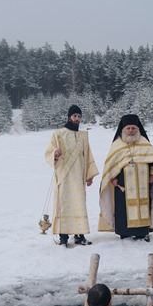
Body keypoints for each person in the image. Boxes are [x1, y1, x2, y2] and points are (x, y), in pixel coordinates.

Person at [98, 114, 153, 241]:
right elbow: (110, 166)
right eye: (128, 128)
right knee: (123, 209)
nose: (131, 131)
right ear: (123, 129)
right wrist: (112, 178)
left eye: (133, 128)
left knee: (143, 206)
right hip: (123, 184)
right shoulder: (117, 145)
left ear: (138, 129)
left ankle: (142, 232)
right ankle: (124, 232)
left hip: (143, 184)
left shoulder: (145, 143)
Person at [45, 105, 98, 247]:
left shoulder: (83, 136)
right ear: (69, 117)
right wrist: (55, 153)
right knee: (64, 206)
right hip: (64, 176)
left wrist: (90, 175)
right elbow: (48, 153)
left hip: (79, 176)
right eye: (75, 116)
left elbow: (88, 155)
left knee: (79, 205)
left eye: (79, 116)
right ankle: (63, 237)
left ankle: (79, 236)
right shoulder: (58, 134)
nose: (77, 119)